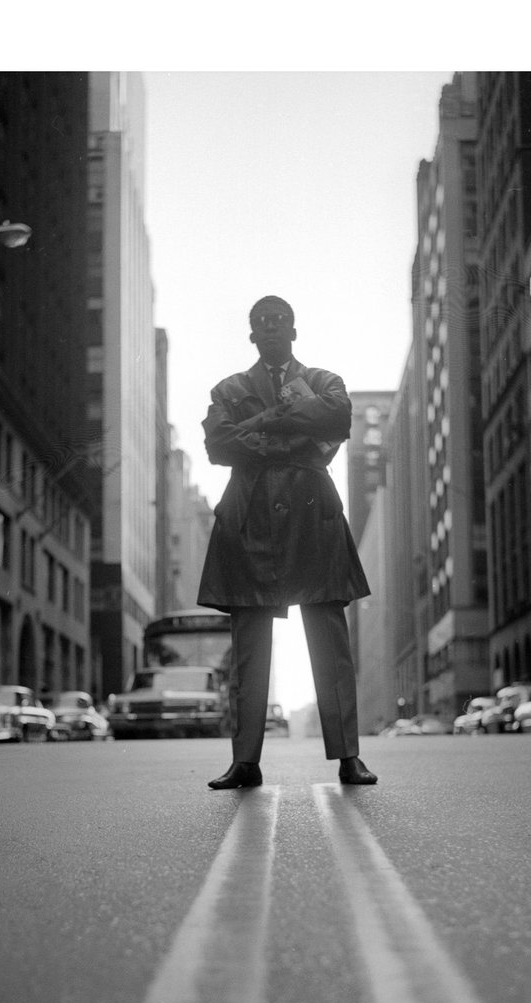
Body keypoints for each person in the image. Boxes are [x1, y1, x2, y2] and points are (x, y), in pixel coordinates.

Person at [197, 295, 377, 789]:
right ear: (251, 334)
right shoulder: (228, 387)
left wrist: (262, 428)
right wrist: (298, 433)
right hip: (249, 521)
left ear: (294, 331)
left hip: (313, 519)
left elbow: (337, 419)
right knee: (249, 648)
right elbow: (219, 445)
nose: (272, 329)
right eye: (262, 323)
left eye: (280, 322)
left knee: (330, 643)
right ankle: (245, 762)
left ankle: (348, 757)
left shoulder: (325, 381)